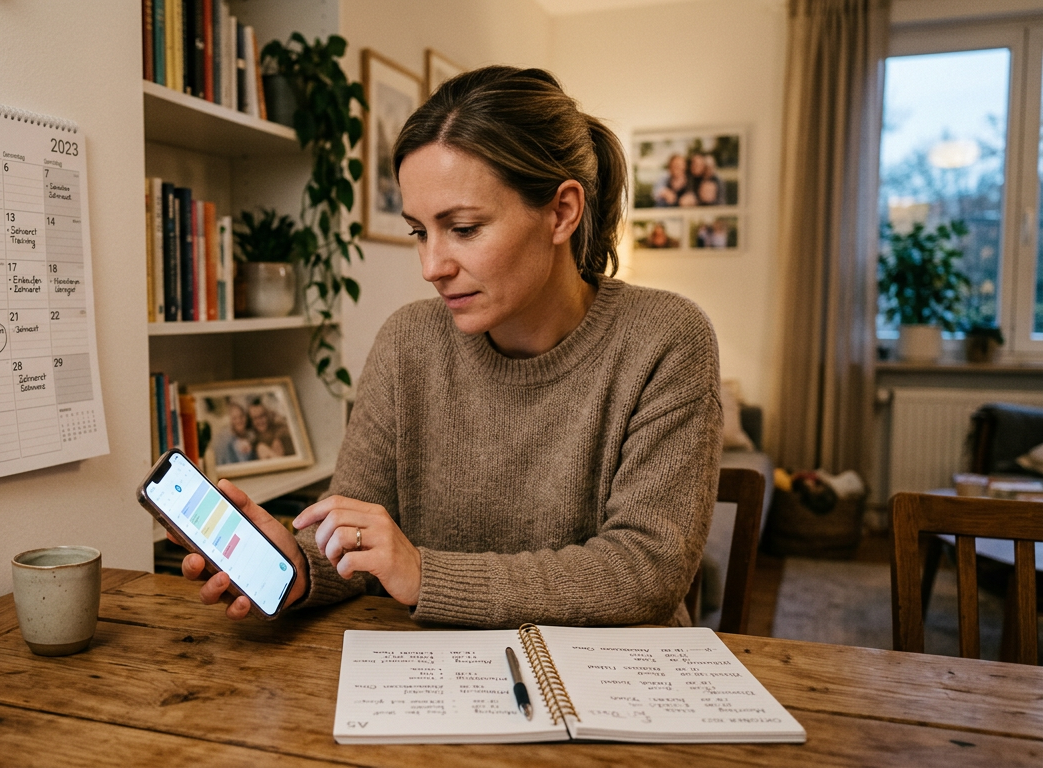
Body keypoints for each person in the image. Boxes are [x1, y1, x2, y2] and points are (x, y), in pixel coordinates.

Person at [176, 66, 722, 629]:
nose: (432, 267)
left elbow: (645, 571)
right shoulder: (408, 342)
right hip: (437, 677)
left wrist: (424, 574)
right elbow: (358, 531)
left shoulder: (666, 338)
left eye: (462, 228)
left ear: (561, 212)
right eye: (419, 231)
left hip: (617, 685)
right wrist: (298, 563)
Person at [215, 401, 256, 465]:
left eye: (241, 416)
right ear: (230, 420)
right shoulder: (226, 442)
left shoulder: (252, 436)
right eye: (234, 418)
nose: (239, 420)